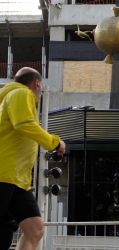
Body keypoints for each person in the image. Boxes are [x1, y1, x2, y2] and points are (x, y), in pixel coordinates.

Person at [0, 67, 66, 250]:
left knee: (34, 230)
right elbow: (24, 125)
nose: (41, 91)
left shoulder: (9, 98)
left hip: (18, 180)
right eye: (41, 87)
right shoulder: (21, 93)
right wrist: (55, 143)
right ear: (37, 83)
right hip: (4, 176)